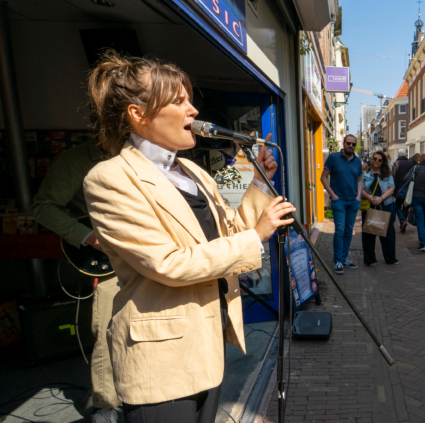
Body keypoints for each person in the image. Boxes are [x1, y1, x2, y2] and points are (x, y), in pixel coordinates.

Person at [82, 52, 295, 423]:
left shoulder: (192, 169)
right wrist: (257, 236)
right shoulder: (109, 178)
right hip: (160, 362)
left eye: (190, 100)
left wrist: (255, 177)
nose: (193, 110)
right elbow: (169, 262)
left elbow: (227, 221)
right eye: (179, 101)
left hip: (206, 348)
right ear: (138, 113)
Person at [31, 136, 119, 423]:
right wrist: (86, 236)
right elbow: (44, 206)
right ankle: (105, 406)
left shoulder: (149, 152)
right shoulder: (76, 160)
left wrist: (244, 174)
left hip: (150, 254)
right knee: (108, 330)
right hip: (110, 261)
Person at [321, 134, 363, 275]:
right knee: (339, 230)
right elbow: (323, 177)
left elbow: (359, 179)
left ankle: (344, 258)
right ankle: (338, 260)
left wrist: (358, 195)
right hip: (339, 201)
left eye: (353, 144)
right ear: (343, 144)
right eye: (348, 143)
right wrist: (332, 195)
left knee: (348, 230)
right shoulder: (333, 157)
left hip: (353, 201)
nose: (351, 146)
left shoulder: (357, 161)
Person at [361, 151, 398, 266]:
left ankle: (390, 258)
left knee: (388, 233)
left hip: (384, 204)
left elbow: (391, 189)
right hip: (369, 205)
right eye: (375, 159)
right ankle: (370, 259)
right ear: (372, 160)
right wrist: (370, 197)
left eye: (379, 160)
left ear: (383, 162)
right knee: (368, 233)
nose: (376, 161)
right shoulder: (365, 175)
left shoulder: (387, 175)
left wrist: (381, 198)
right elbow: (361, 189)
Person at [392, 149, 415, 232]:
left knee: (397, 205)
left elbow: (393, 177)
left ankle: (402, 221)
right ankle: (403, 223)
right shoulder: (411, 164)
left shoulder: (396, 163)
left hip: (399, 189)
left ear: (399, 155)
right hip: (409, 190)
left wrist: (393, 190)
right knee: (405, 207)